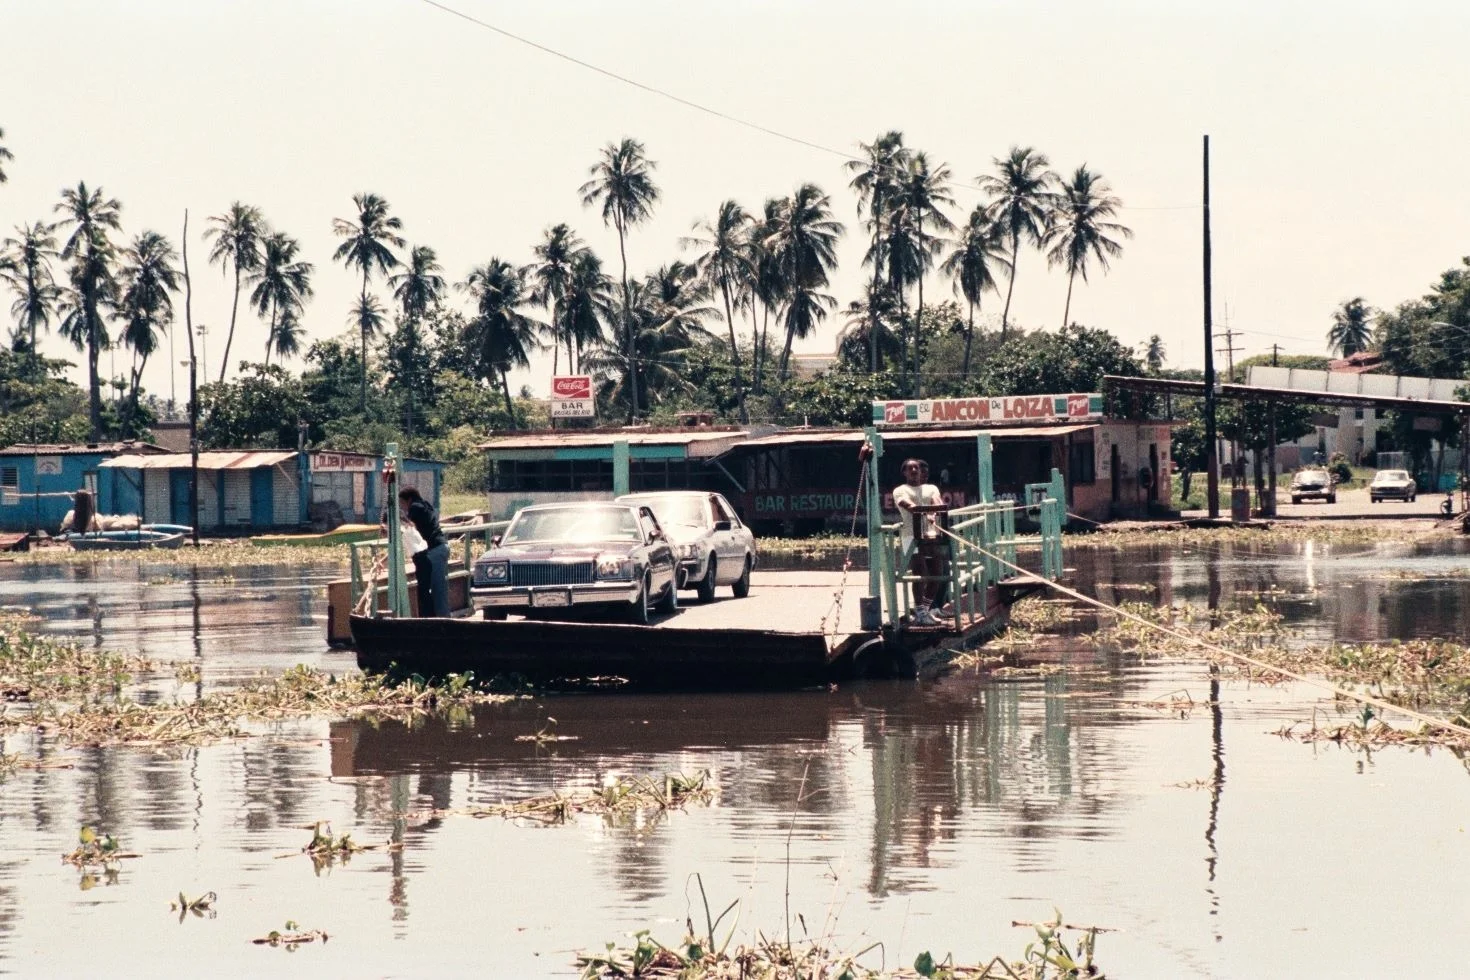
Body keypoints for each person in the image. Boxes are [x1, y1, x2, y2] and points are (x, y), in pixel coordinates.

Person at [398, 486, 450, 617]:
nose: (403, 507)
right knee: (438, 588)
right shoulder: (425, 504)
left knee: (437, 590)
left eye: (402, 503)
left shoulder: (415, 507)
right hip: (441, 547)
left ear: (408, 500)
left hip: (435, 550)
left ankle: (443, 622)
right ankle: (440, 618)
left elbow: (409, 527)